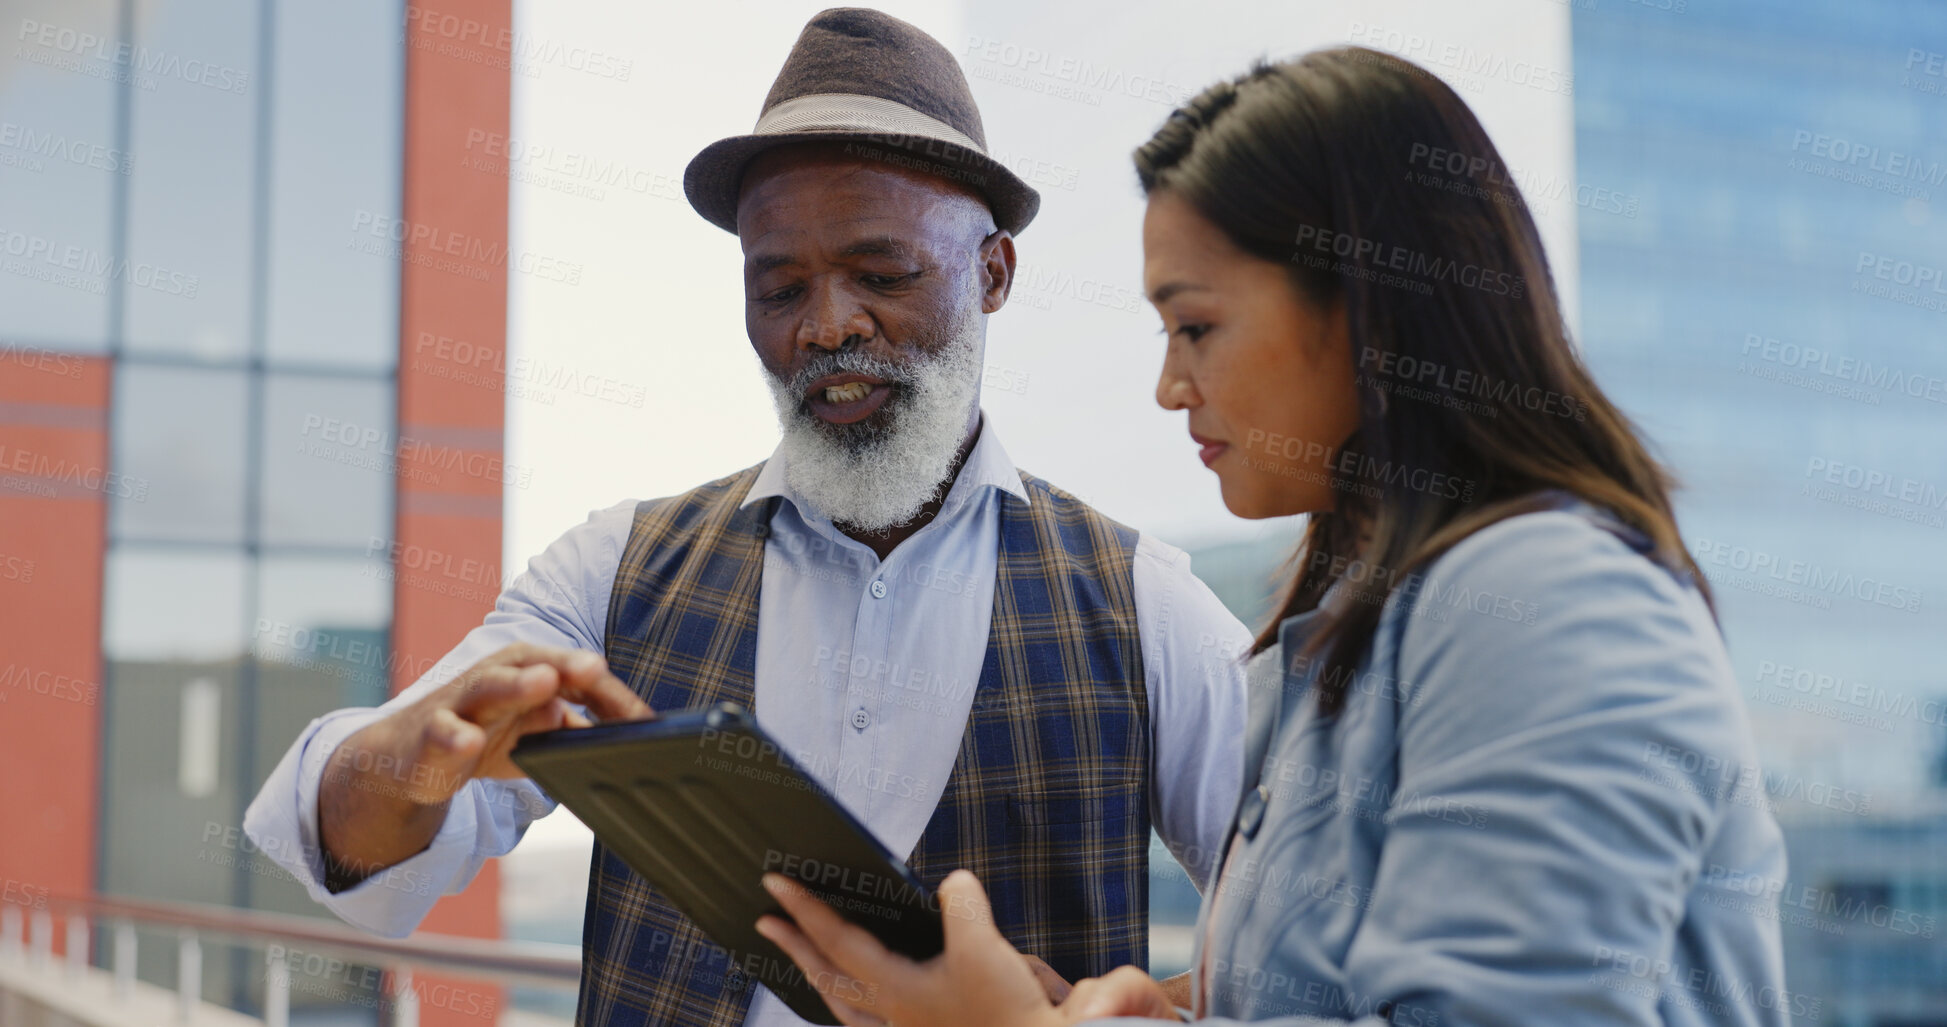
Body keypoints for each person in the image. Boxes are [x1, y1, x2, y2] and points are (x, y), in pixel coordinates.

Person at [243, 9, 1252, 1026]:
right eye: (779, 287)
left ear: (993, 274)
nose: (826, 326)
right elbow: (353, 839)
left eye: (882, 274)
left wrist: (1128, 1013)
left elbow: (1335, 936)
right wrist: (407, 759)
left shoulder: (1142, 603)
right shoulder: (614, 574)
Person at [756, 47, 1792, 1027]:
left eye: (1197, 326)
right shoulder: (1343, 631)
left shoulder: (1544, 602)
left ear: (1367, 307)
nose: (1170, 387)